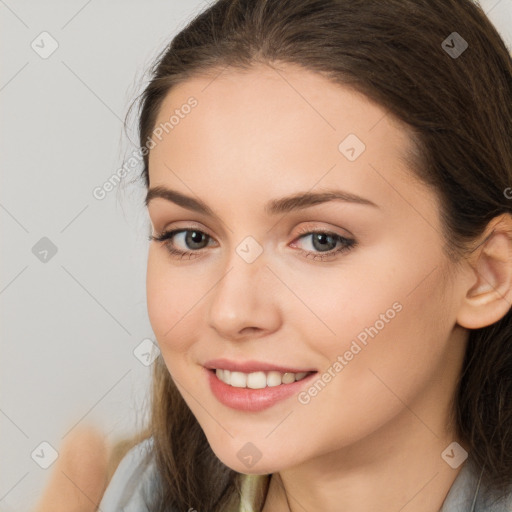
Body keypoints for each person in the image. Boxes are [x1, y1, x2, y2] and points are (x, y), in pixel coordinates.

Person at [38, 0, 512, 510]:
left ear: (487, 275)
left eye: (320, 240)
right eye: (191, 237)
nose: (232, 312)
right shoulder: (134, 493)